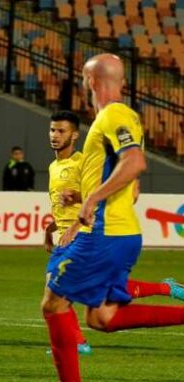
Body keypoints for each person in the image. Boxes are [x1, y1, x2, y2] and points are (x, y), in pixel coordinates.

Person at [29, 54, 184, 382]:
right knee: (102, 316)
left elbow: (135, 163)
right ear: (122, 82)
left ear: (90, 81)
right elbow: (128, 180)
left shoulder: (113, 115)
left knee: (54, 302)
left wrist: (91, 200)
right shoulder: (124, 117)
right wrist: (86, 198)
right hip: (119, 232)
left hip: (106, 232)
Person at [43, 110, 184, 357]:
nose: (55, 135)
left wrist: (76, 226)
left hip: (85, 235)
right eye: (52, 130)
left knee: (58, 292)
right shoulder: (54, 166)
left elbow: (103, 195)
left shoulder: (82, 162)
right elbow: (69, 205)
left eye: (61, 131)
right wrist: (50, 229)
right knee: (97, 302)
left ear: (74, 135)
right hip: (69, 234)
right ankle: (165, 288)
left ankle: (77, 343)